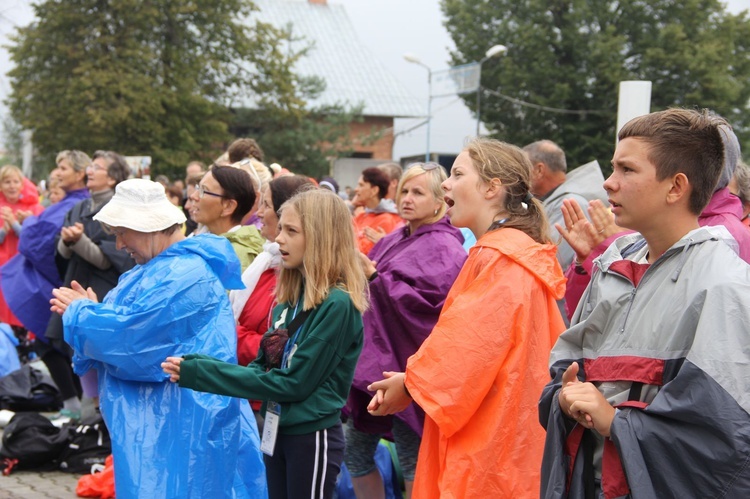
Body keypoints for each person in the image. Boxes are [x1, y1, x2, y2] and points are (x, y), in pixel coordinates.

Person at [539, 109, 750, 498]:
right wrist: (566, 397)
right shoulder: (611, 267)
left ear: (676, 187)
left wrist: (612, 422)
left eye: (626, 170)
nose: (608, 182)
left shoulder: (723, 285)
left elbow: (722, 439)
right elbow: (561, 372)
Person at [367, 138, 566, 498]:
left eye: (458, 174)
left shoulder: (500, 257)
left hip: (491, 435)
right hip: (508, 428)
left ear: (492, 188)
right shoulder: (512, 250)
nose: (445, 183)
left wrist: (411, 385)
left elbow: (471, 348)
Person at [50, 178, 266, 498]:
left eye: (122, 232)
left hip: (189, 423)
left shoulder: (183, 273)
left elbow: (134, 342)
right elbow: (130, 328)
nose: (120, 244)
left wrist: (83, 315)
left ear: (148, 227)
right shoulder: (157, 269)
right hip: (171, 423)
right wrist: (94, 312)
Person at [163, 188, 368, 499]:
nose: (278, 240)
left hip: (310, 437)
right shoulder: (289, 300)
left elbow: (292, 383)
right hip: (277, 429)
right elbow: (262, 366)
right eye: (281, 229)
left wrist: (203, 375)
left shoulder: (337, 304)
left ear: (321, 238)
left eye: (291, 231)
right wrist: (199, 365)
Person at [345, 162, 466, 499]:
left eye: (418, 192)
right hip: (377, 361)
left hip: (413, 369)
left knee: (415, 459)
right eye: (405, 192)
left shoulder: (446, 248)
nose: (408, 199)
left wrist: (374, 279)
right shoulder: (395, 236)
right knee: (355, 451)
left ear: (440, 200)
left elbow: (431, 312)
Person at [42, 151, 134, 420]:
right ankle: (89, 418)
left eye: (98, 167)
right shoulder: (78, 208)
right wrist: (68, 241)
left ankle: (100, 419)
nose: (90, 170)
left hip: (102, 290)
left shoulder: (118, 209)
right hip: (76, 283)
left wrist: (78, 242)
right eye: (90, 166)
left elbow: (108, 261)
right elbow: (63, 254)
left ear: (114, 176)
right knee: (77, 351)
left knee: (99, 354)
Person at [1, 150, 91, 343]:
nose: (57, 173)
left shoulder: (73, 203)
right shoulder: (72, 202)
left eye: (62, 168)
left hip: (41, 280)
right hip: (20, 274)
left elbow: (38, 239)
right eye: (7, 182)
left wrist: (26, 223)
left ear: (80, 173)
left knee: (49, 345)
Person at [523, 140, 608, 269]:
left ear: (539, 170)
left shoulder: (568, 203)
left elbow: (550, 263)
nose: (519, 176)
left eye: (523, 168)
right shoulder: (562, 200)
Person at [188, 164, 264, 271]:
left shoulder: (235, 257)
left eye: (203, 191)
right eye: (197, 188)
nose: (193, 196)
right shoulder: (206, 240)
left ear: (228, 206)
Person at [0, 165, 44, 327]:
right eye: (7, 182)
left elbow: (38, 239)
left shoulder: (34, 208)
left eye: (16, 181)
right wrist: (4, 231)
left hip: (24, 267)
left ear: (22, 184)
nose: (12, 186)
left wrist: (17, 225)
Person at [352, 167, 403, 254]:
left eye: (361, 185)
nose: (356, 189)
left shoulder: (386, 220)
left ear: (374, 190)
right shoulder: (361, 215)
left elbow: (366, 253)